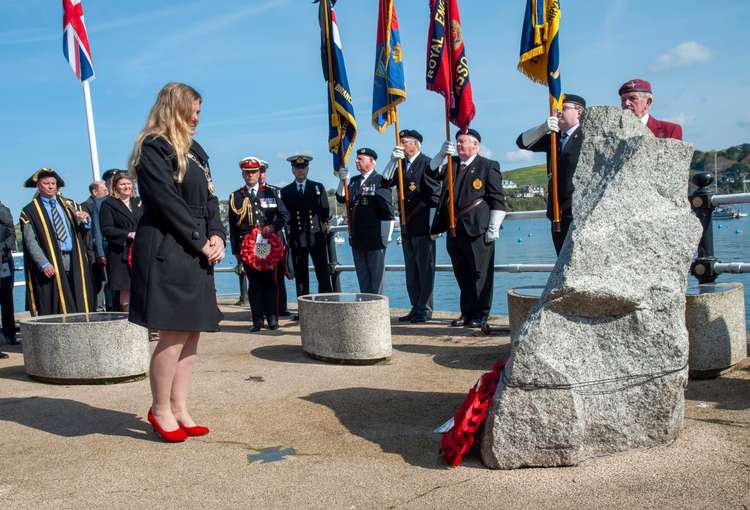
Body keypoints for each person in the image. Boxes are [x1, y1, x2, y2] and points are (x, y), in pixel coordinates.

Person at [128, 82, 225, 442]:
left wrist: (218, 235)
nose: (198, 118)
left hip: (196, 250)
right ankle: (160, 409)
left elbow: (212, 199)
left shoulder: (196, 150)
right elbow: (165, 201)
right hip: (169, 247)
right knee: (172, 333)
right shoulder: (154, 146)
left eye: (200, 112)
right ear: (176, 108)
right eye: (193, 111)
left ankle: (180, 406)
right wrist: (200, 240)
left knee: (192, 332)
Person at [427, 129, 507, 329]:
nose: (459, 145)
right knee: (462, 274)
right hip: (455, 229)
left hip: (477, 228)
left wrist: (494, 227)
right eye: (457, 142)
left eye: (463, 141)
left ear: (476, 145)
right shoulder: (452, 164)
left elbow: (497, 199)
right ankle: (467, 311)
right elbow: (430, 173)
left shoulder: (487, 166)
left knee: (480, 274)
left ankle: (481, 314)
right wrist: (440, 154)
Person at [381, 130, 441, 323]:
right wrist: (392, 161)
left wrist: (434, 225)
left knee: (425, 270)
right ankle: (415, 307)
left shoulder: (426, 163)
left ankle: (425, 309)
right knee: (411, 270)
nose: (401, 145)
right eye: (400, 142)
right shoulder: (400, 165)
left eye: (405, 142)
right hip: (407, 227)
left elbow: (434, 196)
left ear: (416, 143)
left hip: (423, 224)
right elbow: (385, 182)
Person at [517, 94, 586, 254]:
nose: (558, 112)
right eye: (556, 109)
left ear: (579, 112)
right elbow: (522, 142)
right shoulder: (554, 138)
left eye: (564, 108)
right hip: (557, 213)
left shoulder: (587, 136)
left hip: (577, 211)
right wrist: (543, 128)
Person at [228, 156, 290, 332]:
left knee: (270, 282)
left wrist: (273, 226)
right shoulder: (236, 196)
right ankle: (257, 321)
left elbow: (285, 216)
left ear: (259, 173)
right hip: (248, 247)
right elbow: (233, 227)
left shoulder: (269, 193)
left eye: (253, 172)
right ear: (243, 174)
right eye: (247, 173)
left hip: (267, 245)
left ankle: (272, 318)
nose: (250, 175)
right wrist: (235, 251)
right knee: (254, 285)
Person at [20, 169, 93, 317]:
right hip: (51, 258)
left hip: (73, 256)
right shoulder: (30, 210)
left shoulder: (69, 204)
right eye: (46, 183)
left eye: (53, 183)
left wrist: (85, 220)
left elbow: (84, 227)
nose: (50, 186)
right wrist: (43, 263)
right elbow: (30, 241)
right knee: (56, 297)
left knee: (77, 291)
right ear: (38, 186)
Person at [335, 148, 395, 295]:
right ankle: (366, 309)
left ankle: (376, 311)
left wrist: (385, 237)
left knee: (376, 279)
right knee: (363, 278)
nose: (356, 161)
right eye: (356, 158)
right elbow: (341, 198)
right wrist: (342, 181)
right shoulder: (354, 181)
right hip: (357, 238)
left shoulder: (380, 180)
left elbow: (387, 211)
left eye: (360, 158)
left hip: (375, 238)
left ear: (372, 162)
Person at [280, 154, 333, 303]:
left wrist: (322, 227)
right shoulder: (286, 191)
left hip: (316, 236)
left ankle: (326, 303)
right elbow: (285, 215)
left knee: (322, 272)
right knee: (301, 275)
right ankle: (304, 306)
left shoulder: (317, 187)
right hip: (297, 238)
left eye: (303, 167)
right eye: (297, 168)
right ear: (292, 170)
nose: (300, 170)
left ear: (308, 169)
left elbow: (325, 211)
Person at [100, 173, 143, 312]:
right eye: (123, 184)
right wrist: (127, 234)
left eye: (129, 183)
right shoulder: (108, 204)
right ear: (116, 187)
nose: (126, 187)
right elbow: (106, 229)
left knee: (144, 286)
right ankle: (127, 322)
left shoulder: (139, 202)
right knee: (126, 288)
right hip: (120, 253)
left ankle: (148, 326)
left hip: (141, 250)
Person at [258, 161, 292, 317]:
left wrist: (273, 228)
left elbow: (284, 216)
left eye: (262, 171)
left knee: (278, 275)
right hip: (258, 241)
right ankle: (264, 308)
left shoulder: (275, 192)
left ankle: (281, 307)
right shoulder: (247, 194)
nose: (260, 174)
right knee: (261, 274)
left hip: (275, 239)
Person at [82, 180, 108, 311]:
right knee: (99, 282)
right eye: (104, 191)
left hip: (105, 247)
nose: (106, 193)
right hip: (93, 250)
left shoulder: (107, 203)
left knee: (107, 281)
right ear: (94, 192)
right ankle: (98, 308)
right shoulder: (85, 207)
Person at [0, 200, 17, 345]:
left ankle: (10, 333)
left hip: (4, 259)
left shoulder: (4, 210)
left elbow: (11, 235)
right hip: (4, 257)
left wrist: (1, 249)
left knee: (7, 299)